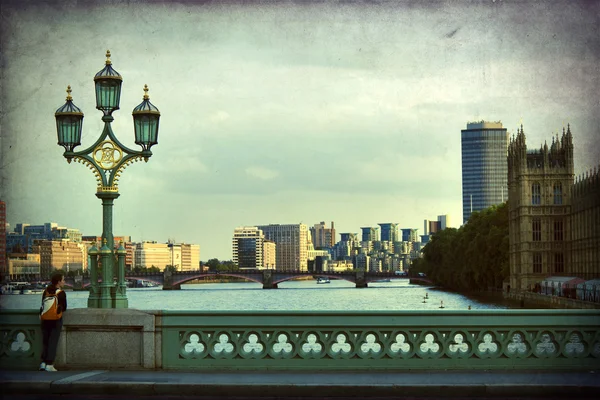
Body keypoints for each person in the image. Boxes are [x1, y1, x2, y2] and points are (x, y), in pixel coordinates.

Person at [39, 273, 67, 372]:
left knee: (45, 341)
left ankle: (43, 363)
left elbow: (42, 305)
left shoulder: (46, 291)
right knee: (53, 342)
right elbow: (64, 308)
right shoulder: (61, 293)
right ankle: (50, 364)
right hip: (55, 320)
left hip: (45, 319)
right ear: (58, 282)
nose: (64, 281)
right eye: (63, 280)